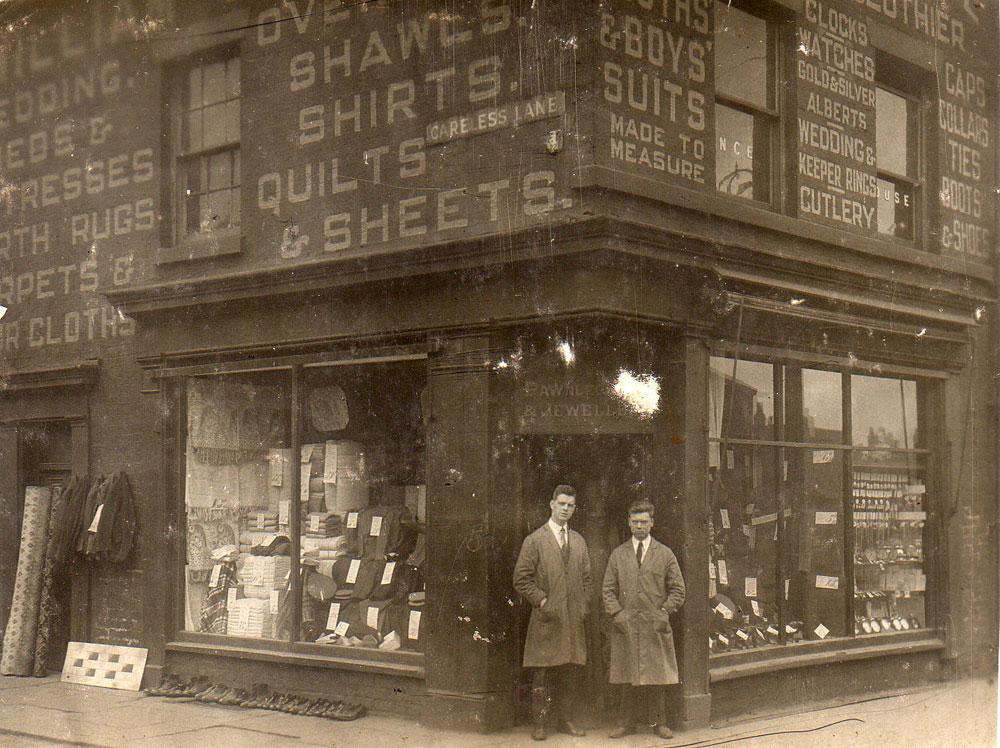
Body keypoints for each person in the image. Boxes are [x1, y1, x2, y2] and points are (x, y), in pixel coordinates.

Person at [513, 484, 592, 740]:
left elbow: (587, 579)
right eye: (562, 504)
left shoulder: (579, 541)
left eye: (570, 505)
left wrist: (583, 604)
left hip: (572, 618)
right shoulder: (535, 540)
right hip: (547, 618)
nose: (566, 509)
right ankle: (540, 723)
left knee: (570, 672)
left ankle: (566, 720)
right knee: (543, 673)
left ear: (574, 508)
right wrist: (543, 601)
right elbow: (521, 579)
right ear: (551, 505)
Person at [602, 499, 686, 739]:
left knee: (656, 676)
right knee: (628, 676)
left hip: (654, 623)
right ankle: (625, 723)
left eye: (644, 522)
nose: (639, 526)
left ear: (652, 523)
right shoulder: (618, 555)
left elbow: (678, 589)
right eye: (635, 521)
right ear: (629, 523)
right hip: (626, 624)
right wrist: (617, 614)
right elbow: (607, 589)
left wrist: (664, 611)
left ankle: (659, 723)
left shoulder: (665, 554)